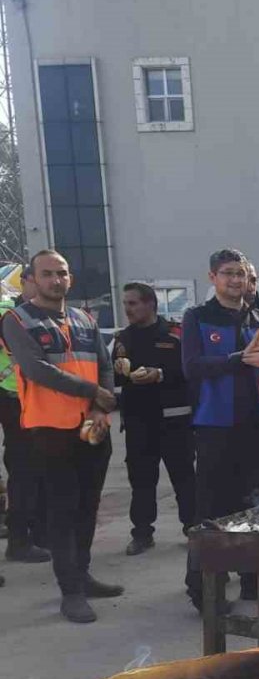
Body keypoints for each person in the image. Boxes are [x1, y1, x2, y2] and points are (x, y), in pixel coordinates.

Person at [1, 249, 123, 622]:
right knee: (62, 510)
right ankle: (70, 591)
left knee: (88, 506)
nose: (57, 280)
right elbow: (36, 369)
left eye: (62, 273)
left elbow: (103, 366)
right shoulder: (16, 320)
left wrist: (101, 408)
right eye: (48, 274)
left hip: (91, 427)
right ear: (31, 281)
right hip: (50, 430)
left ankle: (82, 574)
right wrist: (92, 394)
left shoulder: (84, 319)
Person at [181, 248, 259, 610]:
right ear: (213, 277)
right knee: (211, 512)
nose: (235, 280)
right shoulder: (197, 318)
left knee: (258, 507)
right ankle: (204, 592)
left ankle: (255, 582)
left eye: (240, 273)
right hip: (216, 427)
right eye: (227, 273)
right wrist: (237, 360)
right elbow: (192, 366)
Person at [113, 282, 196, 556]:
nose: (128, 309)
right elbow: (115, 378)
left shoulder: (175, 334)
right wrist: (120, 372)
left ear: (151, 304)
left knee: (184, 479)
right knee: (141, 481)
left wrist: (159, 374)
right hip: (139, 421)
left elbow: (189, 372)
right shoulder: (123, 338)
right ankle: (142, 534)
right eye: (125, 303)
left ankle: (194, 530)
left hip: (174, 421)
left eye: (133, 303)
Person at [0, 264, 49, 563]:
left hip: (22, 397)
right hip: (14, 396)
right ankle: (20, 539)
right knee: (25, 470)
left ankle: (33, 533)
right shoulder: (11, 311)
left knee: (31, 469)